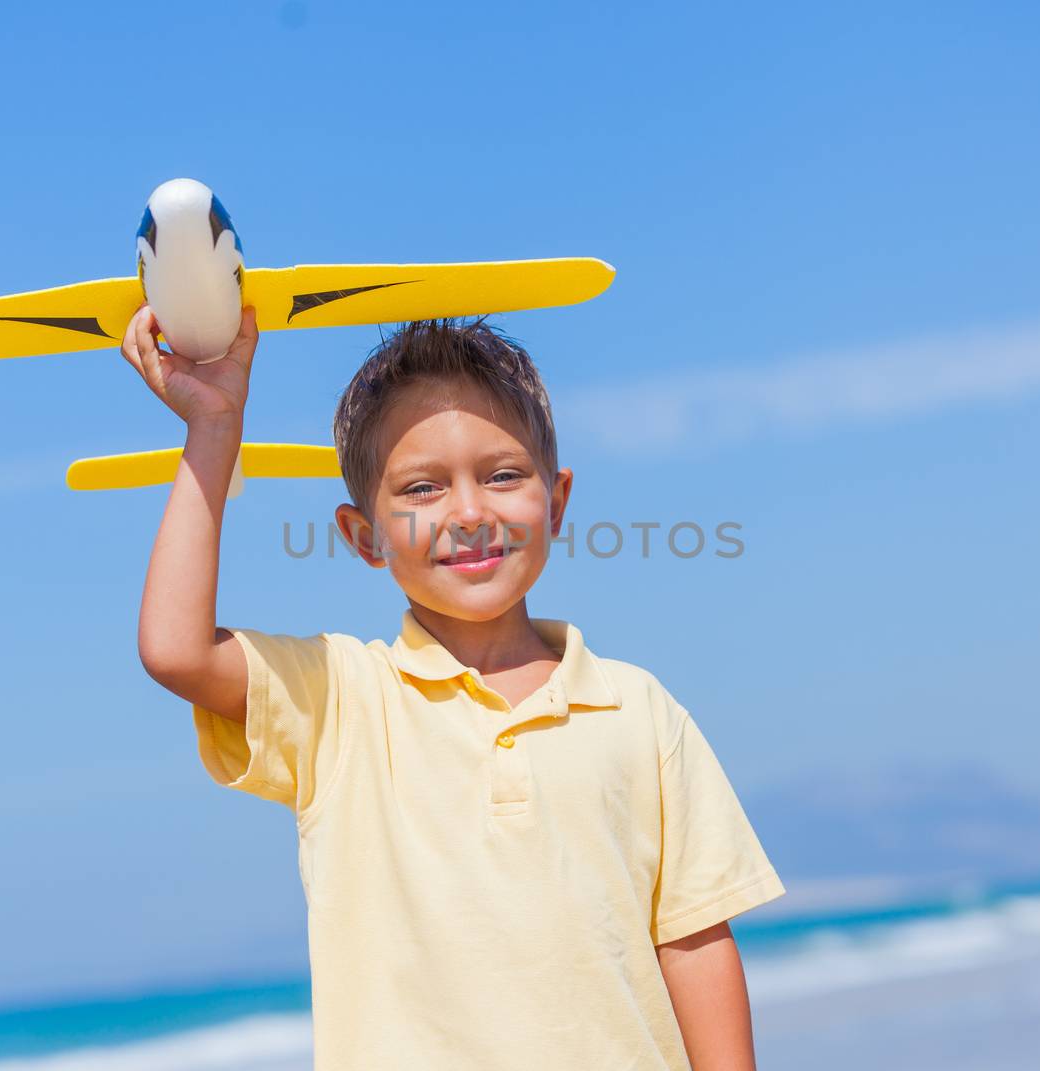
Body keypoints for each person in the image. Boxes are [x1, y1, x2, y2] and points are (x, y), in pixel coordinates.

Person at [125, 302, 785, 1070]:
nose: (469, 512)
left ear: (558, 501)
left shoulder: (638, 709)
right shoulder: (342, 699)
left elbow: (695, 940)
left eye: (502, 475)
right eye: (422, 489)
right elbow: (175, 650)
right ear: (362, 535)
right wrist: (212, 430)